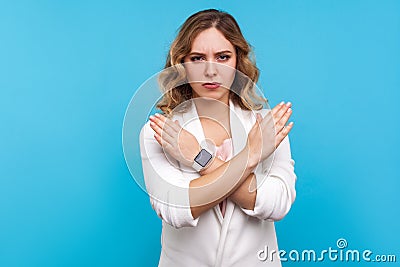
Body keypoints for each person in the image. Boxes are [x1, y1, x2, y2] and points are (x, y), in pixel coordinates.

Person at [139, 9, 296, 267]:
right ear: (182, 65)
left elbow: (275, 204)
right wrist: (251, 156)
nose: (210, 71)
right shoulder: (159, 132)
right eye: (198, 58)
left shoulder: (267, 127)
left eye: (223, 57)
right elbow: (177, 210)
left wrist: (202, 160)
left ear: (238, 62)